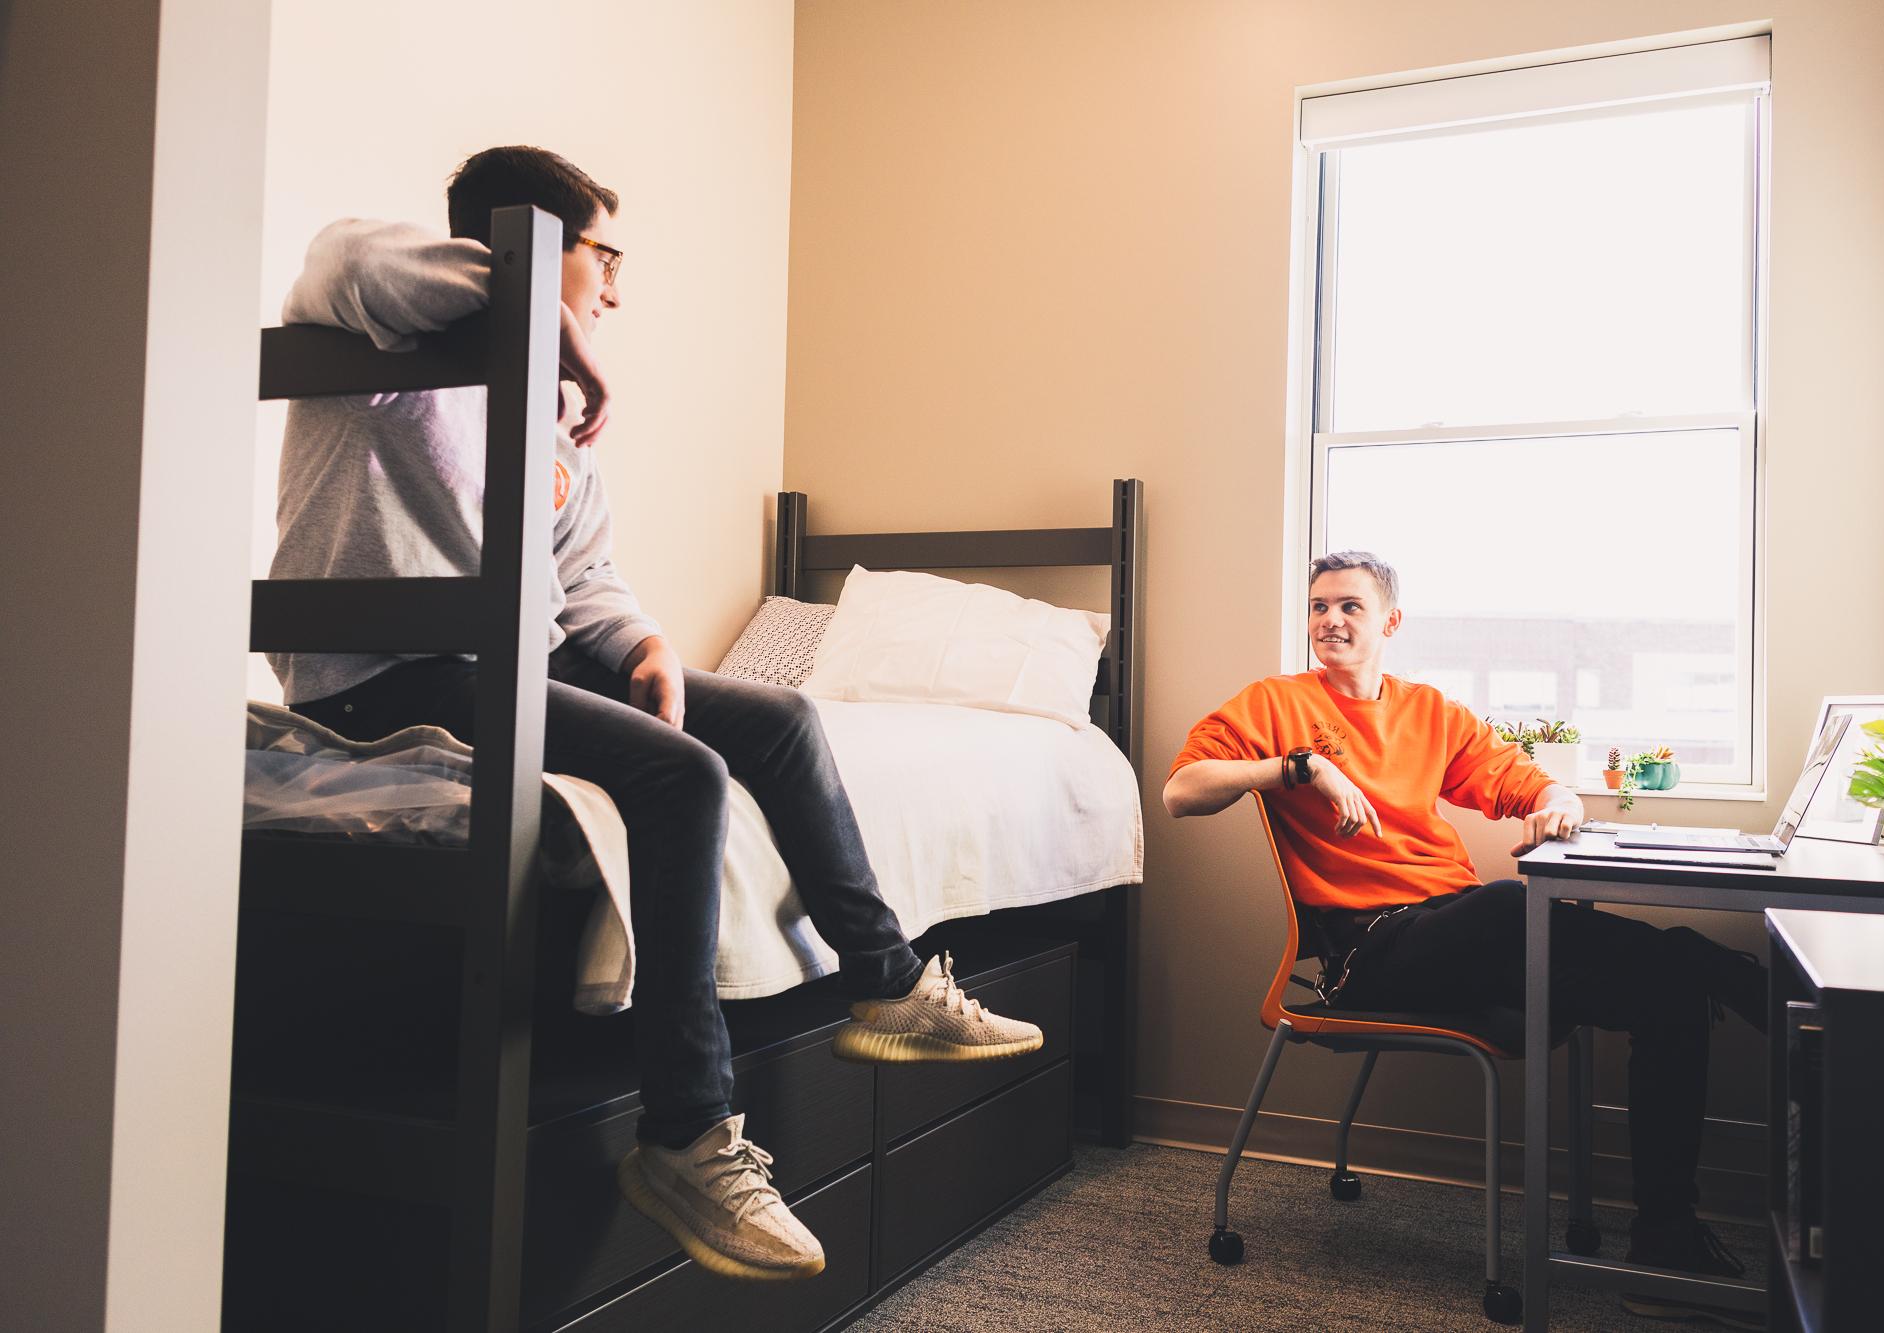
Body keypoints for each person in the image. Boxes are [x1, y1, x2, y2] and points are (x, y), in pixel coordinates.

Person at [271, 145, 1042, 1283]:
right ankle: (686, 1129)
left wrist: (641, 648)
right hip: (383, 672)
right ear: (526, 242)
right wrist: (560, 341)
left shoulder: (552, 429)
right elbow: (345, 253)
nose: (616, 292)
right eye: (604, 257)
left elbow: (587, 580)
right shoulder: (393, 348)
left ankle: (881, 979)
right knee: (684, 777)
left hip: (513, 662)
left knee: (775, 718)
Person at [1164, 550, 1768, 1330]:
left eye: (1349, 606)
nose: (1330, 621)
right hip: (1374, 954)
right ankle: (1719, 963)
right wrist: (1298, 767)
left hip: (1461, 933)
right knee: (1502, 905)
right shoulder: (1276, 703)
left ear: (1390, 621)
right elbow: (1182, 792)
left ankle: (1666, 1235)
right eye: (1318, 607)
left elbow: (1524, 779)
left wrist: (1556, 800)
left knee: (1666, 995)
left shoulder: (1429, 710)